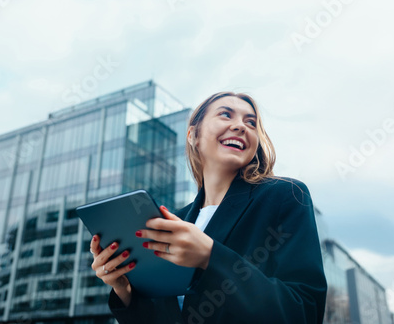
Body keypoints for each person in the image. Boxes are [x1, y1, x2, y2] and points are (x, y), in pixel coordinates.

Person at [89, 91, 327, 323]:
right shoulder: (177, 221)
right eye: (226, 114)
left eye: (251, 122)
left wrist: (210, 257)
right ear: (193, 135)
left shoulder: (286, 196)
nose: (241, 126)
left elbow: (304, 311)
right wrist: (125, 291)